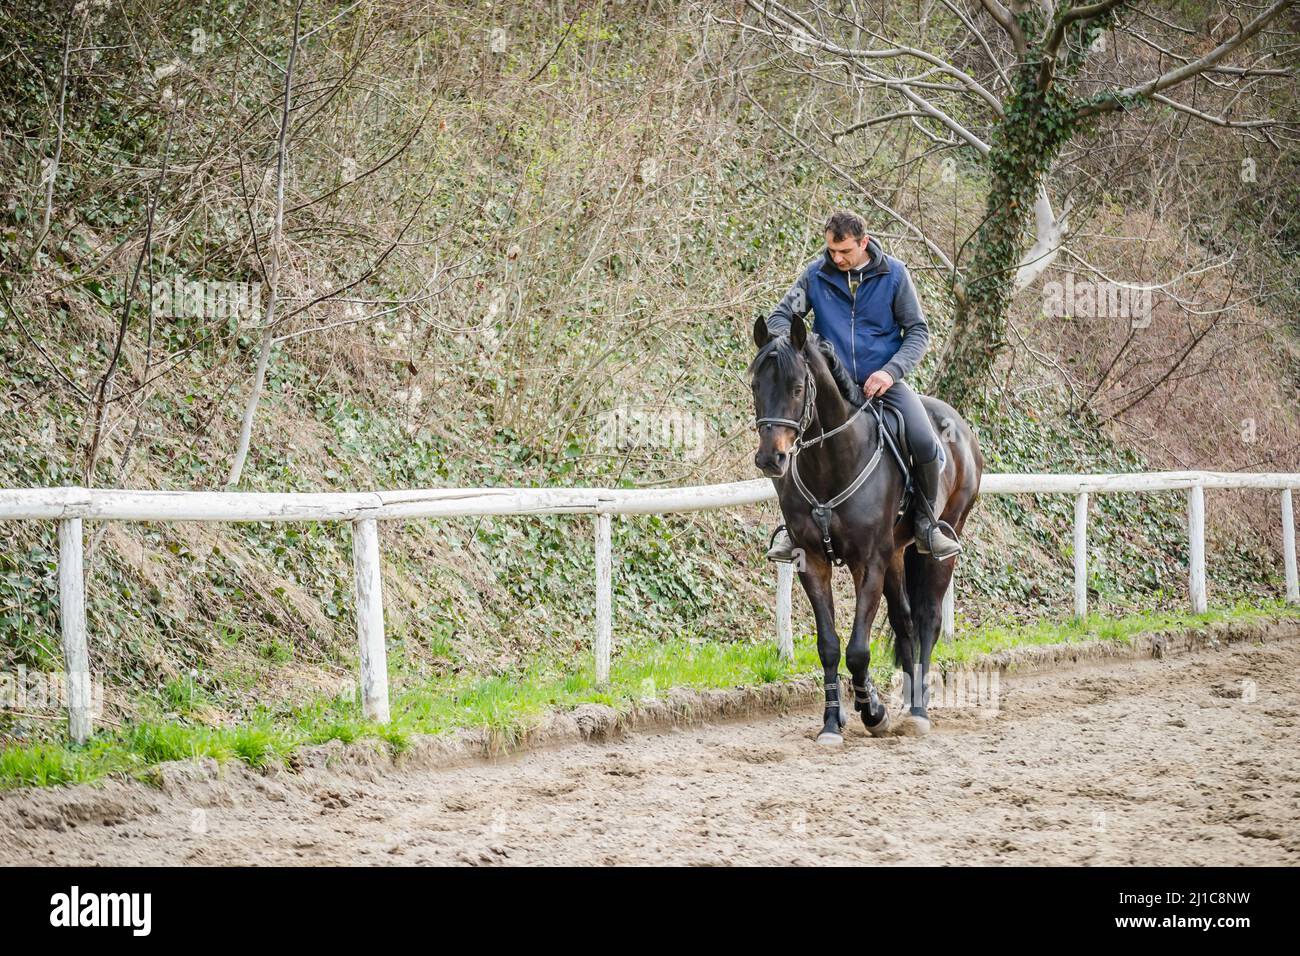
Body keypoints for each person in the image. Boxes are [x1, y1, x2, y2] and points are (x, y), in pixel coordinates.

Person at [763, 209, 961, 561]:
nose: (836, 259)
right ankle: (790, 529)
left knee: (924, 439)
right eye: (831, 251)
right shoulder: (815, 275)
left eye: (845, 252)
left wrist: (891, 371)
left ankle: (928, 524)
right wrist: (790, 347)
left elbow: (918, 331)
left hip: (882, 382)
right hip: (830, 387)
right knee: (785, 432)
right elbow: (780, 316)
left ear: (864, 243)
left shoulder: (895, 275)